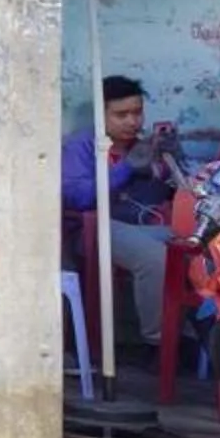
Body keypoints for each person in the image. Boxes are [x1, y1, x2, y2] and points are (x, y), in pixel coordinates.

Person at [62, 75, 177, 354]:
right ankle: (158, 343)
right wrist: (126, 168)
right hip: (94, 228)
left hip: (140, 227)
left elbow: (168, 194)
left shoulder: (145, 145)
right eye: (121, 115)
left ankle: (211, 340)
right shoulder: (80, 146)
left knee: (192, 246)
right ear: (101, 115)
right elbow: (79, 197)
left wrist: (172, 162)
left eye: (137, 113)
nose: (132, 122)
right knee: (155, 258)